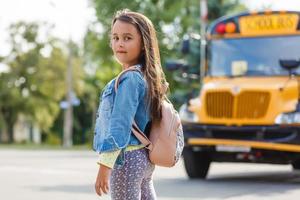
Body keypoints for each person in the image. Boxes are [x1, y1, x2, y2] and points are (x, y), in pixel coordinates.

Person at [93, 9, 167, 200]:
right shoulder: (146, 76)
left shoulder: (131, 79)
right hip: (143, 159)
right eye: (115, 37)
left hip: (126, 159)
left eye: (127, 38)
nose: (119, 43)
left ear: (143, 44)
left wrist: (105, 165)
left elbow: (120, 125)